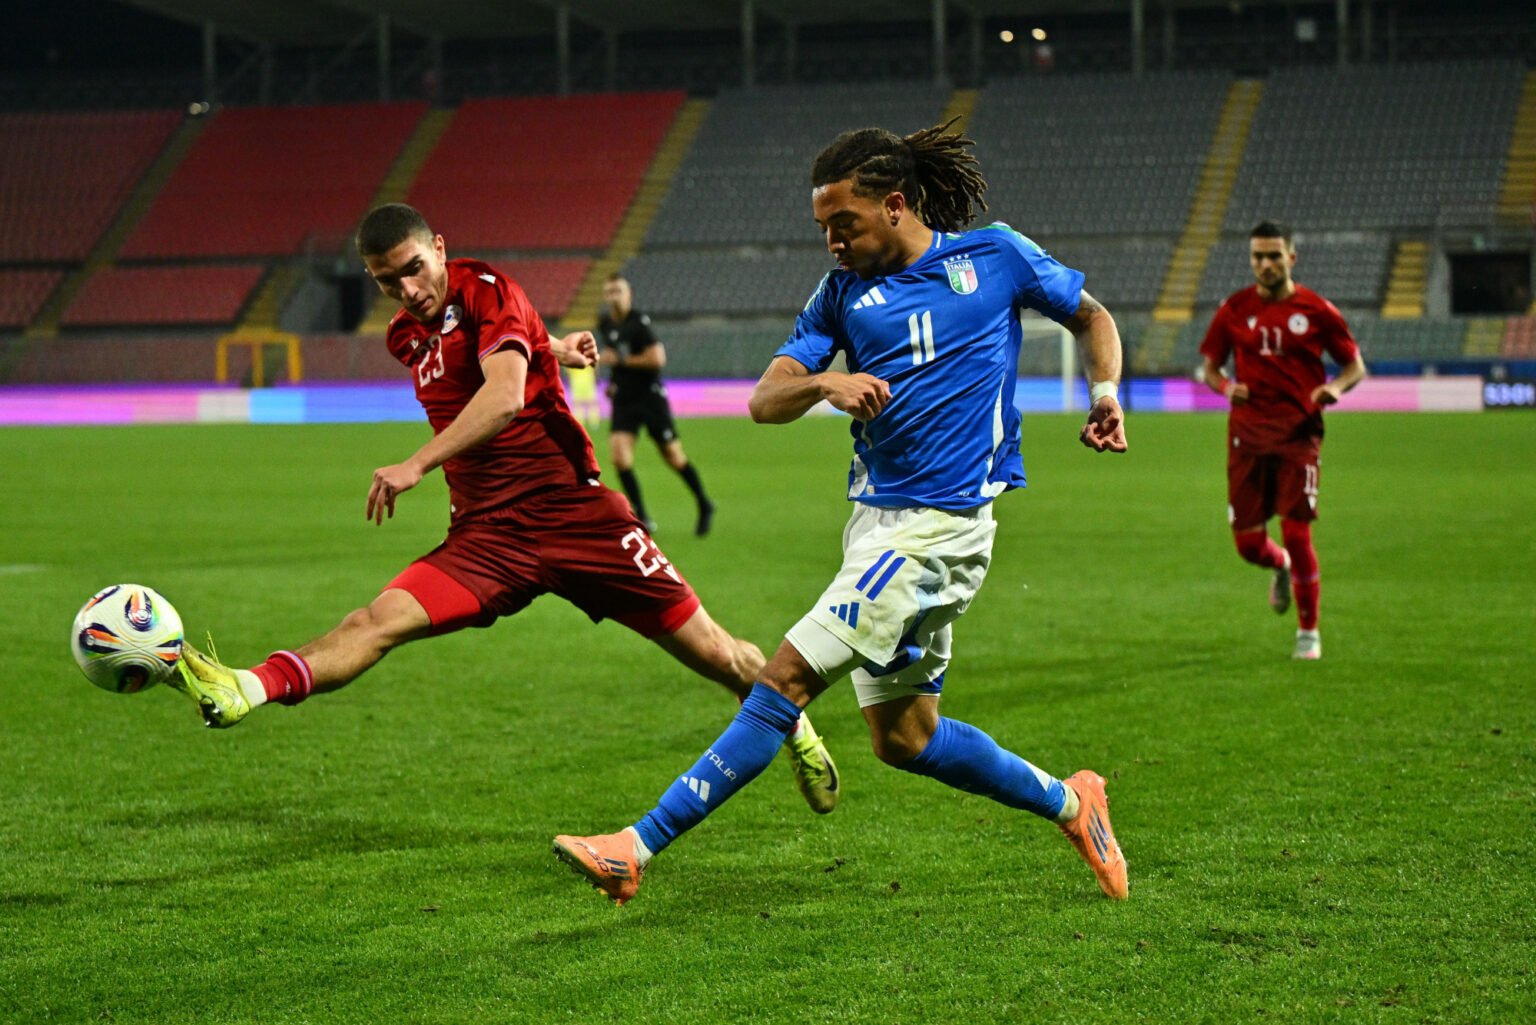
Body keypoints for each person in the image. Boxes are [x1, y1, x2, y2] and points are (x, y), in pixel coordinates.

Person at [553, 121, 1131, 905]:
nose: (830, 240)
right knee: (906, 737)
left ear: (895, 205)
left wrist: (1103, 397)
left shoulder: (992, 256)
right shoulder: (840, 294)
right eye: (821, 226)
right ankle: (1074, 802)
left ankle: (636, 845)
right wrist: (824, 384)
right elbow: (764, 399)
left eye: (842, 223)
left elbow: (1091, 315)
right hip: (877, 526)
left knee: (784, 676)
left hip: (941, 530)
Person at [166, 203, 838, 815]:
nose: (406, 289)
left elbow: (506, 395)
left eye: (413, 268)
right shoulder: (406, 336)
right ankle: (244, 688)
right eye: (386, 281)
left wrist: (417, 462)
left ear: (439, 246)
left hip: (577, 517)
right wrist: (555, 347)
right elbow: (497, 353)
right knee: (375, 620)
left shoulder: (487, 288)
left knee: (717, 653)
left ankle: (794, 723)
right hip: (488, 536)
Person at [1199, 220, 1367, 661]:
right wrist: (1223, 387)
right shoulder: (1233, 309)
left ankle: (1308, 632)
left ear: (1292, 257)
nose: (1266, 264)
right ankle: (1281, 568)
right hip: (1248, 436)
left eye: (1274, 255)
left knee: (1297, 533)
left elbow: (1355, 367)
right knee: (1249, 546)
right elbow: (1210, 368)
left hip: (1298, 435)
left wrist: (1336, 388)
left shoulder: (1317, 311)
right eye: (1258, 256)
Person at [598, 274, 715, 536]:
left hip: (649, 397)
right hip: (625, 399)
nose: (614, 296)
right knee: (619, 458)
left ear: (629, 294)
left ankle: (704, 502)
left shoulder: (639, 324)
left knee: (673, 457)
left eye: (618, 290)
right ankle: (642, 517)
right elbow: (617, 361)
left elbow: (657, 359)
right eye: (610, 292)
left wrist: (621, 361)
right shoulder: (605, 324)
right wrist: (615, 382)